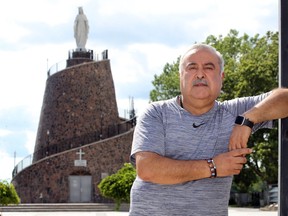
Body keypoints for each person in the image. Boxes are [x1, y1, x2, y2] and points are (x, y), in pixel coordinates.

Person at [129, 43, 288, 216]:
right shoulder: (156, 113)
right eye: (192, 67)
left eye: (209, 67)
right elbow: (147, 168)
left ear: (222, 77)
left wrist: (247, 120)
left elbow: (284, 98)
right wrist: (213, 167)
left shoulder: (233, 112)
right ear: (180, 76)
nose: (200, 74)